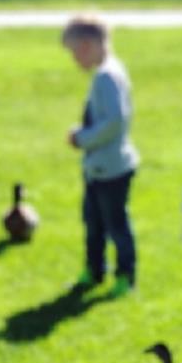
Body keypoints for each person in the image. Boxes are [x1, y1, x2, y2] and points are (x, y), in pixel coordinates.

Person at [62, 16, 140, 298]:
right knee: (92, 223)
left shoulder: (107, 76)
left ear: (87, 46)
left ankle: (125, 276)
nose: (74, 60)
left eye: (74, 52)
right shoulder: (107, 72)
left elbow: (115, 121)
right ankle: (94, 270)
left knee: (116, 225)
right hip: (98, 167)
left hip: (111, 167)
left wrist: (82, 138)